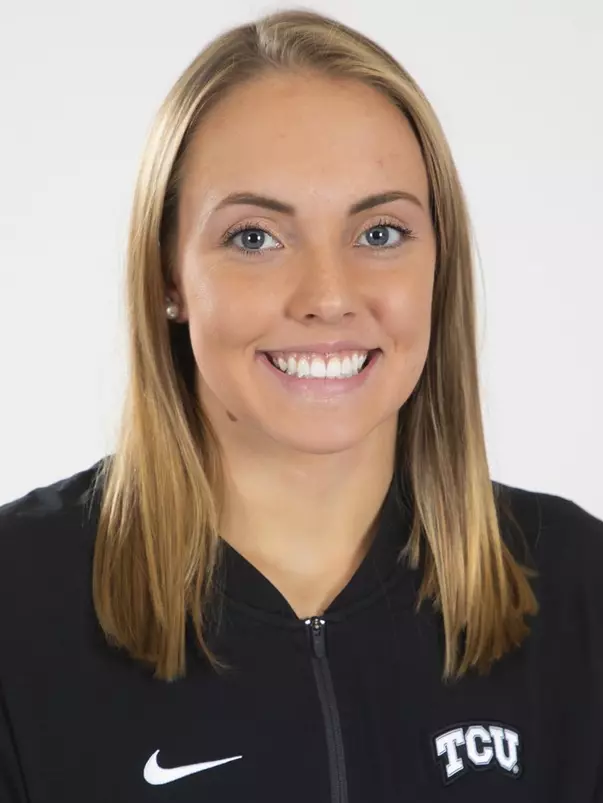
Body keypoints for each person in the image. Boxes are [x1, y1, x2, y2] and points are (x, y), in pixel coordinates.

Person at [0, 7, 601, 803]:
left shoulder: (577, 592)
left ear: (438, 264)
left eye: (380, 233)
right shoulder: (17, 606)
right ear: (168, 277)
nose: (327, 295)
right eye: (255, 237)